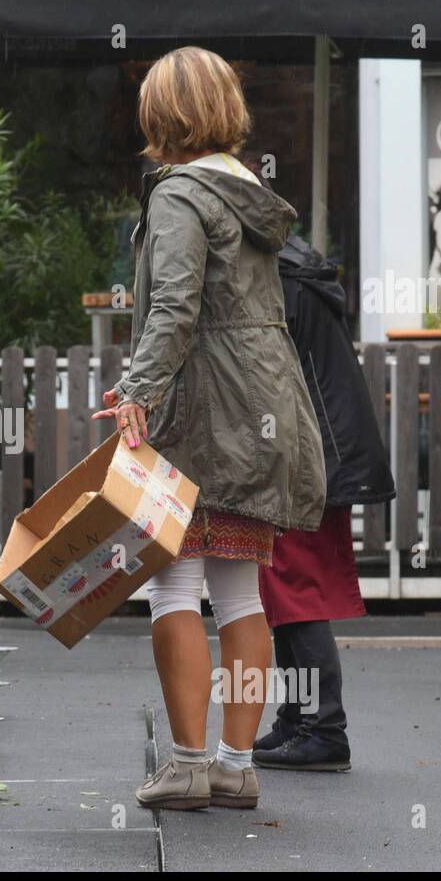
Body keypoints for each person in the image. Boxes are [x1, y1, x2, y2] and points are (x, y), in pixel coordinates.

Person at [93, 46, 326, 811]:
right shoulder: (246, 188)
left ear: (160, 116)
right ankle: (236, 763)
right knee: (241, 595)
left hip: (201, 414)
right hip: (262, 406)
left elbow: (174, 307)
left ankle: (188, 763)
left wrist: (136, 390)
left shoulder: (178, 194)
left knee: (172, 586)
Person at [252, 233, 396, 772]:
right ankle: (299, 720)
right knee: (287, 591)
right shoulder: (297, 274)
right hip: (322, 449)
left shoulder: (279, 283)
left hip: (309, 456)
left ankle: (321, 728)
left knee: (296, 591)